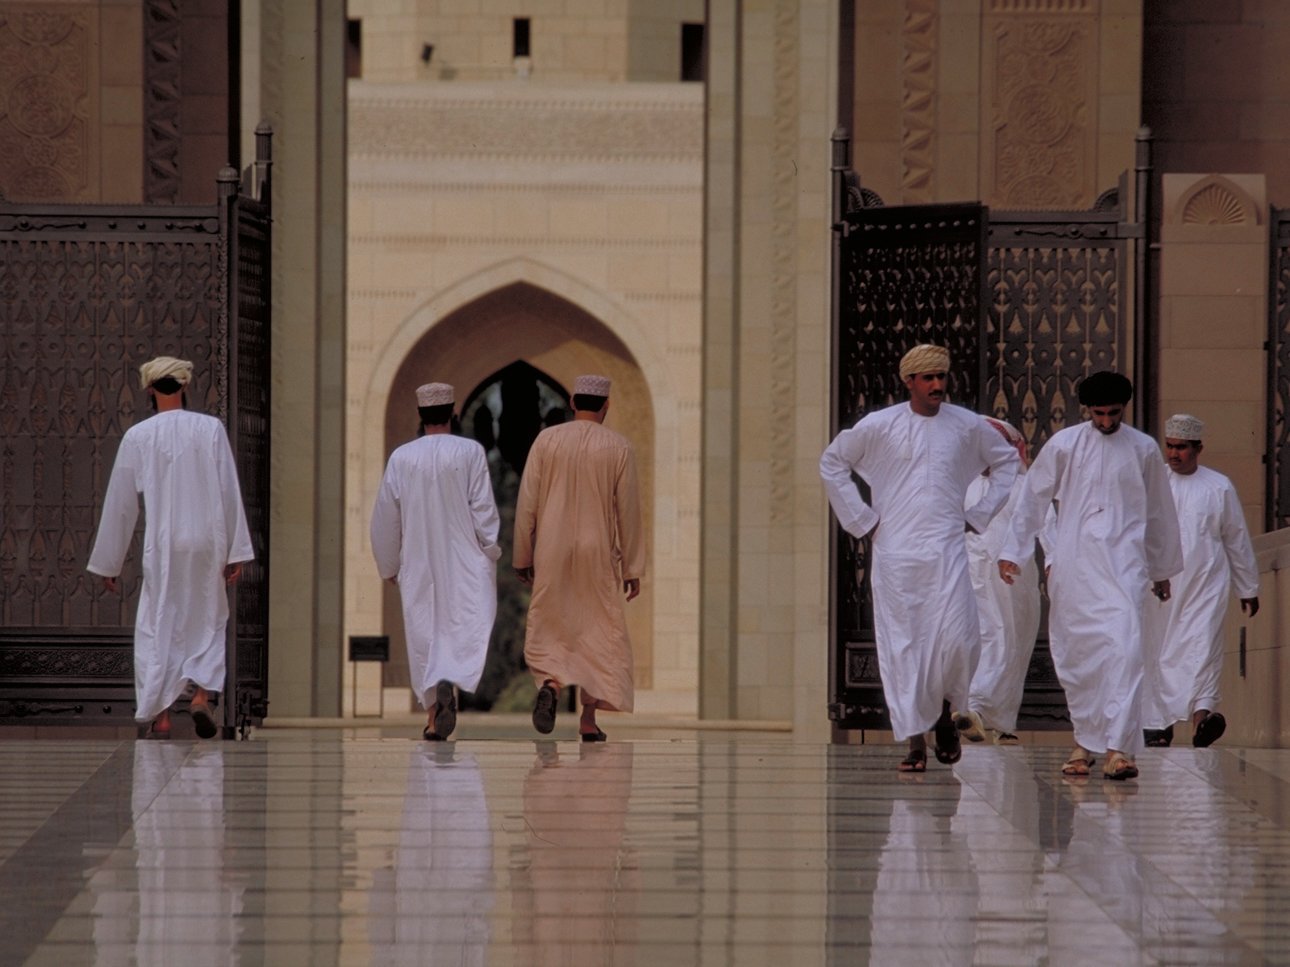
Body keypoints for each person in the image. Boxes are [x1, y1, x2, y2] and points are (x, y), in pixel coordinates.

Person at [820, 345, 1019, 773]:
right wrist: (863, 520)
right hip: (897, 555)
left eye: (941, 377)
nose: (937, 386)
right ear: (908, 381)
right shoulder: (879, 425)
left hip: (947, 550)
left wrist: (978, 515)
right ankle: (915, 740)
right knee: (906, 647)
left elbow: (1006, 462)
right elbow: (833, 463)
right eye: (927, 378)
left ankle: (948, 714)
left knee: (959, 639)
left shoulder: (967, 425)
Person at [999, 371, 1183, 781]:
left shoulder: (1143, 449)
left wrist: (1162, 568)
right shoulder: (1065, 445)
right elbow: (1033, 498)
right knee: (1078, 659)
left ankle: (1119, 750)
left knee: (1125, 651)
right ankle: (1083, 742)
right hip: (1075, 567)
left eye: (1112, 413)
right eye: (1098, 413)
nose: (1105, 421)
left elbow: (1159, 511)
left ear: (1124, 408)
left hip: (1125, 567)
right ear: (1088, 410)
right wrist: (1013, 550)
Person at [87, 356, 253, 739]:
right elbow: (229, 489)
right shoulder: (210, 429)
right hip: (207, 542)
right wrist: (236, 551)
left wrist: (110, 561)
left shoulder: (139, 437)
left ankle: (161, 715)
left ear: (149, 390)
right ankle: (201, 696)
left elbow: (122, 503)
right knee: (209, 618)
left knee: (159, 622)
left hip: (164, 545)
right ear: (184, 386)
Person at [513, 374, 645, 741]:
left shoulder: (546, 440)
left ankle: (551, 686)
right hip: (597, 549)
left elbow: (528, 505)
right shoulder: (618, 447)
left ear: (573, 403)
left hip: (551, 549)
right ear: (606, 406)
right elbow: (628, 512)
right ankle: (587, 720)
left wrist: (523, 554)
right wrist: (633, 567)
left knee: (551, 623)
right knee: (596, 630)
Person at [370, 382, 502, 740]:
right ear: (453, 414)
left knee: (424, 632)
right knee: (460, 625)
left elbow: (385, 516)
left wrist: (389, 563)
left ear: (421, 416)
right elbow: (483, 509)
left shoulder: (402, 457)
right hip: (463, 558)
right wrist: (489, 549)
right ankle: (450, 681)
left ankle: (432, 713)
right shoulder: (470, 451)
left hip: (418, 559)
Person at [1141, 413, 1259, 748]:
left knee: (1203, 648)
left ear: (1198, 448)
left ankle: (1201, 721)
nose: (1174, 454)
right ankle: (1158, 725)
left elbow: (1236, 538)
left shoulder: (1218, 486)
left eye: (1182, 448)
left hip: (1206, 585)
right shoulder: (1155, 483)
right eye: (1170, 446)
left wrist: (1247, 587)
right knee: (1159, 652)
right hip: (1160, 587)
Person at [956, 417, 1042, 745]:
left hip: (1011, 580)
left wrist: (1052, 563)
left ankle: (994, 715)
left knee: (1009, 642)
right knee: (980, 639)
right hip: (969, 576)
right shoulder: (967, 485)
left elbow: (1045, 526)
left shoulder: (1024, 486)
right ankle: (977, 709)